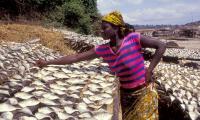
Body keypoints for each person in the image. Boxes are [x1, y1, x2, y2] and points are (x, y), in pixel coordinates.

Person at [36, 11, 166, 120]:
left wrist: (149, 69)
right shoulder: (102, 49)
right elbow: (76, 57)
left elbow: (161, 46)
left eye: (105, 28)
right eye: (101, 28)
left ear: (116, 27)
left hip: (144, 91)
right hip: (125, 94)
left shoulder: (133, 38)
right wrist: (47, 63)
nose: (101, 31)